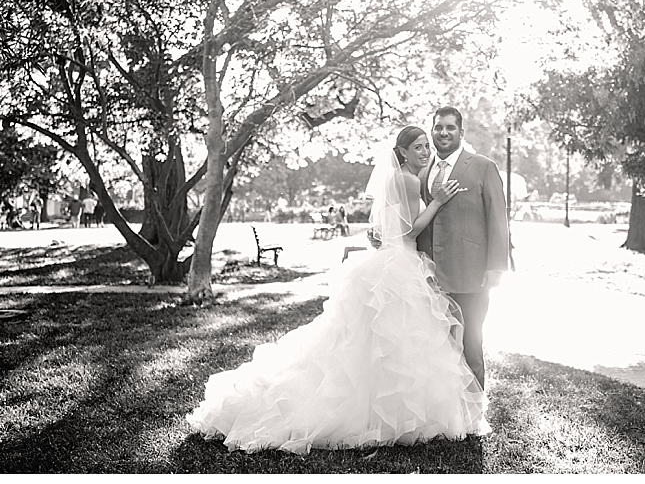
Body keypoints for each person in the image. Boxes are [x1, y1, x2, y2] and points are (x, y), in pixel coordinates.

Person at [187, 126, 489, 454]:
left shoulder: (396, 178)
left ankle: (385, 411)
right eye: (417, 147)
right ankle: (395, 415)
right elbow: (410, 229)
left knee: (372, 343)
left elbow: (387, 226)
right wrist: (440, 201)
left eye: (425, 146)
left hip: (390, 260)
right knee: (397, 342)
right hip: (401, 262)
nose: (424, 151)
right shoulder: (410, 180)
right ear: (402, 152)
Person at [416, 106, 510, 390]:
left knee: (471, 341)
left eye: (450, 127)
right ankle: (442, 409)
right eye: (438, 127)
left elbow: (498, 218)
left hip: (471, 272)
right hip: (428, 273)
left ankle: (474, 408)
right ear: (432, 131)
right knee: (435, 342)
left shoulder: (482, 166)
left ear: (461, 132)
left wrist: (495, 267)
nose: (443, 133)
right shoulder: (421, 171)